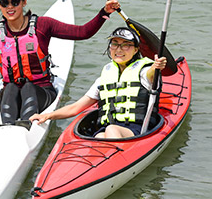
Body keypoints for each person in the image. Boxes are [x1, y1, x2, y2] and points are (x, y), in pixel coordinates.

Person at [0, 0, 121, 126]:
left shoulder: (43, 26)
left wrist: (104, 13)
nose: (10, 7)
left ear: (24, 2)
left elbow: (83, 32)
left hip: (42, 91)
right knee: (11, 88)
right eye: (5, 3)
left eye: (14, 2)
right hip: (11, 95)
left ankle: (24, 127)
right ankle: (7, 128)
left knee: (29, 88)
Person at [29, 27, 167, 138]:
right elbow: (76, 107)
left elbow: (151, 75)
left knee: (110, 130)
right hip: (108, 131)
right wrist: (47, 116)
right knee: (100, 135)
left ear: (136, 49)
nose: (119, 50)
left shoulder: (145, 71)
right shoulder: (104, 77)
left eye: (126, 45)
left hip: (136, 130)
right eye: (115, 44)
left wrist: (156, 67)